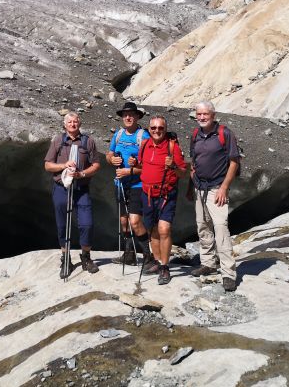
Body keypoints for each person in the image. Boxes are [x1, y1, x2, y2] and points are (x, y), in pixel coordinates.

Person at [186, 100, 240, 292]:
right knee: (203, 225)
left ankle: (228, 273)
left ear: (213, 115)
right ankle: (208, 263)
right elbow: (193, 163)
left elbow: (234, 162)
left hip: (217, 188)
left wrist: (224, 187)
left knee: (220, 228)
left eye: (205, 114)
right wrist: (190, 186)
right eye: (199, 114)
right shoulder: (195, 134)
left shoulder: (225, 133)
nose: (201, 117)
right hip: (199, 187)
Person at [44, 112, 101, 278]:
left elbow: (96, 165)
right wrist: (64, 166)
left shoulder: (88, 141)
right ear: (65, 124)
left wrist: (81, 174)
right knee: (62, 224)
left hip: (81, 188)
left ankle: (86, 257)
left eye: (75, 121)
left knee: (87, 224)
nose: (73, 124)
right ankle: (66, 258)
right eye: (69, 122)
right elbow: (48, 165)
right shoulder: (58, 140)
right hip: (61, 188)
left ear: (79, 124)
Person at [133, 115, 186, 285]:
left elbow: (182, 173)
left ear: (165, 129)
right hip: (147, 193)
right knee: (153, 230)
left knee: (164, 229)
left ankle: (165, 266)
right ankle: (157, 261)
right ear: (149, 129)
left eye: (160, 128)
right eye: (153, 128)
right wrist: (134, 164)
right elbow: (142, 165)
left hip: (166, 194)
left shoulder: (172, 147)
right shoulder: (145, 144)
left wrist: (173, 166)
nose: (157, 131)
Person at [105, 102, 152, 267]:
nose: (128, 117)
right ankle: (129, 254)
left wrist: (130, 171)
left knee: (135, 221)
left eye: (131, 114)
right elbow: (109, 154)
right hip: (120, 185)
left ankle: (148, 256)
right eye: (125, 115)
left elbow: (150, 165)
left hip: (137, 185)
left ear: (137, 116)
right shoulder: (118, 135)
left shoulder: (144, 136)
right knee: (124, 222)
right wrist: (112, 160)